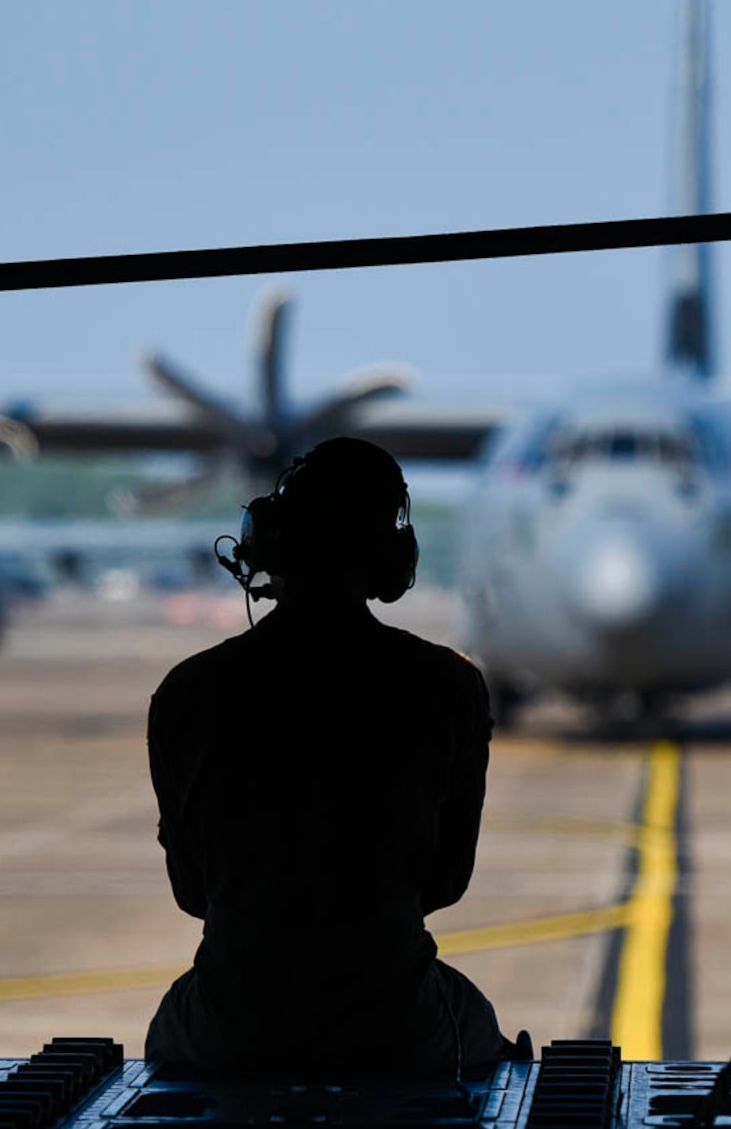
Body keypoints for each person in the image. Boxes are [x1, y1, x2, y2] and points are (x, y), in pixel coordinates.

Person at [143, 437, 524, 1078]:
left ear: (265, 546)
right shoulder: (448, 687)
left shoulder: (187, 692)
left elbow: (191, 893)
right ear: (392, 560)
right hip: (397, 1022)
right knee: (485, 1035)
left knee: (167, 1040)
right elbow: (446, 883)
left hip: (228, 1023)